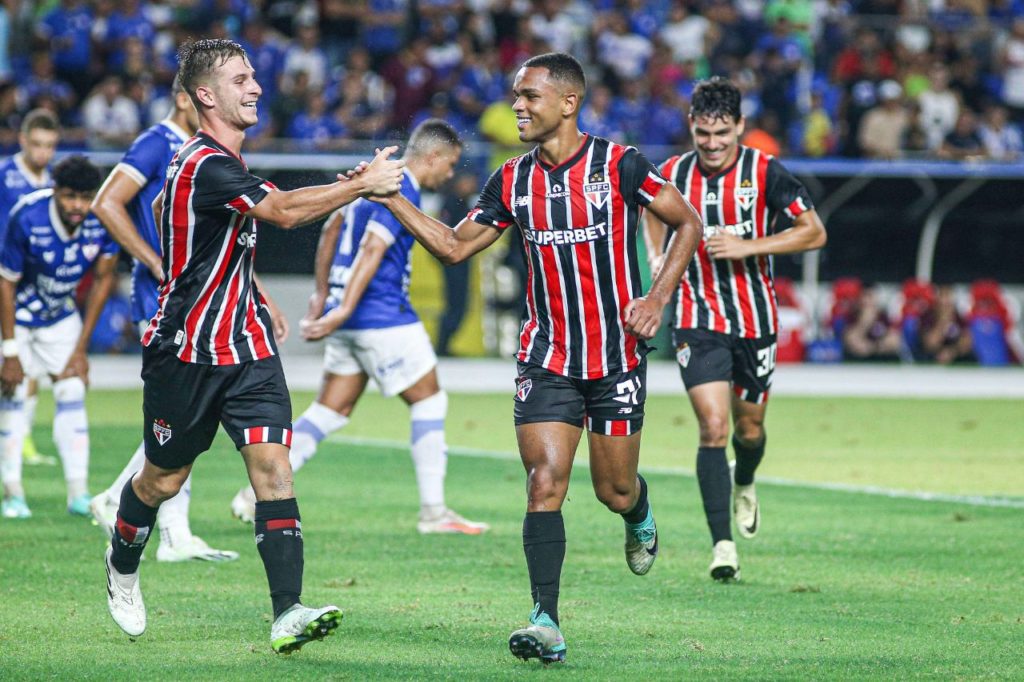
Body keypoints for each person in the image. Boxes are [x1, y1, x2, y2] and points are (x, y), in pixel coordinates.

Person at [374, 52, 703, 664]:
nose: (517, 107)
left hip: (615, 358)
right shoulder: (510, 180)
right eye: (515, 96)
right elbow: (452, 246)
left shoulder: (620, 165)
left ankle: (640, 511)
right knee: (544, 483)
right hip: (546, 357)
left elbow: (686, 222)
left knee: (613, 489)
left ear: (568, 103)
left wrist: (657, 297)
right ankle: (545, 620)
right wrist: (392, 198)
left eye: (529, 96)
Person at [102, 38, 405, 653]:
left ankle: (287, 612)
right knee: (162, 480)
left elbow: (188, 211)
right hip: (185, 353)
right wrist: (363, 184)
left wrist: (248, 289)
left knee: (274, 470)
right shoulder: (204, 163)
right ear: (206, 95)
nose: (257, 88)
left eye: (254, 77)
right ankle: (123, 564)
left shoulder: (216, 167)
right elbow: (287, 213)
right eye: (242, 79)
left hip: (247, 350)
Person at [229, 119, 489, 536]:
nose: (450, 174)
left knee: (330, 410)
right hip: (381, 316)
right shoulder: (402, 186)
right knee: (429, 402)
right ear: (435, 156)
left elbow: (331, 228)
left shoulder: (371, 179)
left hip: (348, 316)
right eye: (451, 164)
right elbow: (372, 248)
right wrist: (340, 309)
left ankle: (252, 493)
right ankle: (434, 511)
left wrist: (323, 296)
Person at [643, 77, 826, 582]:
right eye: (704, 133)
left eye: (722, 133)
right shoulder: (674, 172)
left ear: (740, 127)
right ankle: (722, 545)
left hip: (754, 320)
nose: (713, 144)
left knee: (749, 430)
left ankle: (744, 480)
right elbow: (650, 210)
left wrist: (751, 246)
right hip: (697, 318)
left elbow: (814, 231)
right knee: (713, 427)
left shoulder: (765, 172)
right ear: (692, 128)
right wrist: (658, 254)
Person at [87, 76, 239, 562]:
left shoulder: (209, 149)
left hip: (197, 293)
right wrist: (154, 262)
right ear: (185, 98)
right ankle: (172, 533)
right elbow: (107, 203)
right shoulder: (158, 142)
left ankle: (121, 499)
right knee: (184, 404)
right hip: (162, 293)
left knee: (184, 408)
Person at [0, 155, 119, 519]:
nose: (78, 206)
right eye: (69, 197)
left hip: (60, 317)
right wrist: (10, 351)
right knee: (14, 396)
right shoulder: (27, 216)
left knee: (71, 390)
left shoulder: (102, 218)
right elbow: (5, 282)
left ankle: (78, 494)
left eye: (85, 197)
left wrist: (81, 349)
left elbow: (103, 280)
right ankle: (13, 493)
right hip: (17, 317)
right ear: (55, 191)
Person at [0, 108, 61, 469]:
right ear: (23, 141)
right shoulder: (4, 176)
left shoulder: (54, 183)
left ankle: (19, 441)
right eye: (37, 145)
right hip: (5, 280)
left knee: (29, 370)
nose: (43, 153)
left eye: (50, 146)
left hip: (33, 288)